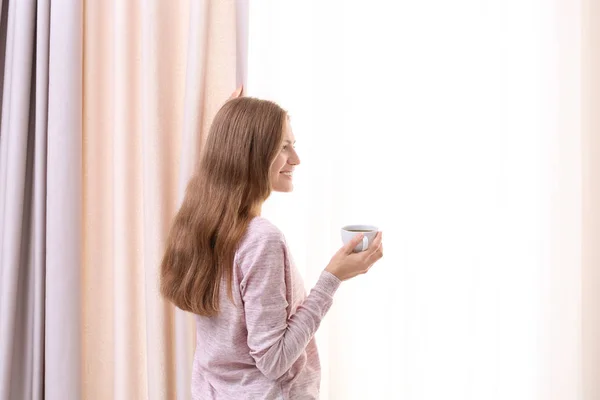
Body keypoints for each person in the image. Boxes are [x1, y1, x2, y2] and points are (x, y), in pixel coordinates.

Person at [160, 90, 384, 400]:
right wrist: (333, 278)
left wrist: (234, 118)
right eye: (284, 147)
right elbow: (274, 361)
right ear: (251, 153)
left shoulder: (201, 224)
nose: (296, 159)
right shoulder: (261, 239)